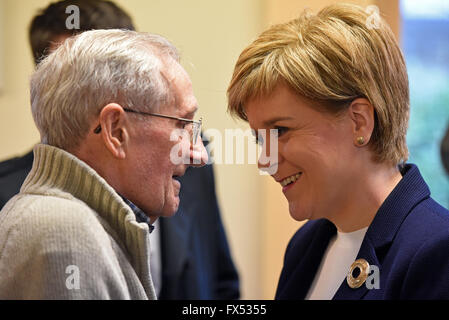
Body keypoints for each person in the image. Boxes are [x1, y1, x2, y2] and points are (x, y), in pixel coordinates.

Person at [0, 0, 239, 299]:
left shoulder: (79, 219)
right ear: (115, 130)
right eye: (181, 124)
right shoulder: (64, 231)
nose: (199, 154)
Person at [227, 3, 449, 299]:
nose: (264, 161)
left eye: (280, 131)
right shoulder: (305, 245)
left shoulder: (436, 250)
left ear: (359, 122)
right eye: (259, 138)